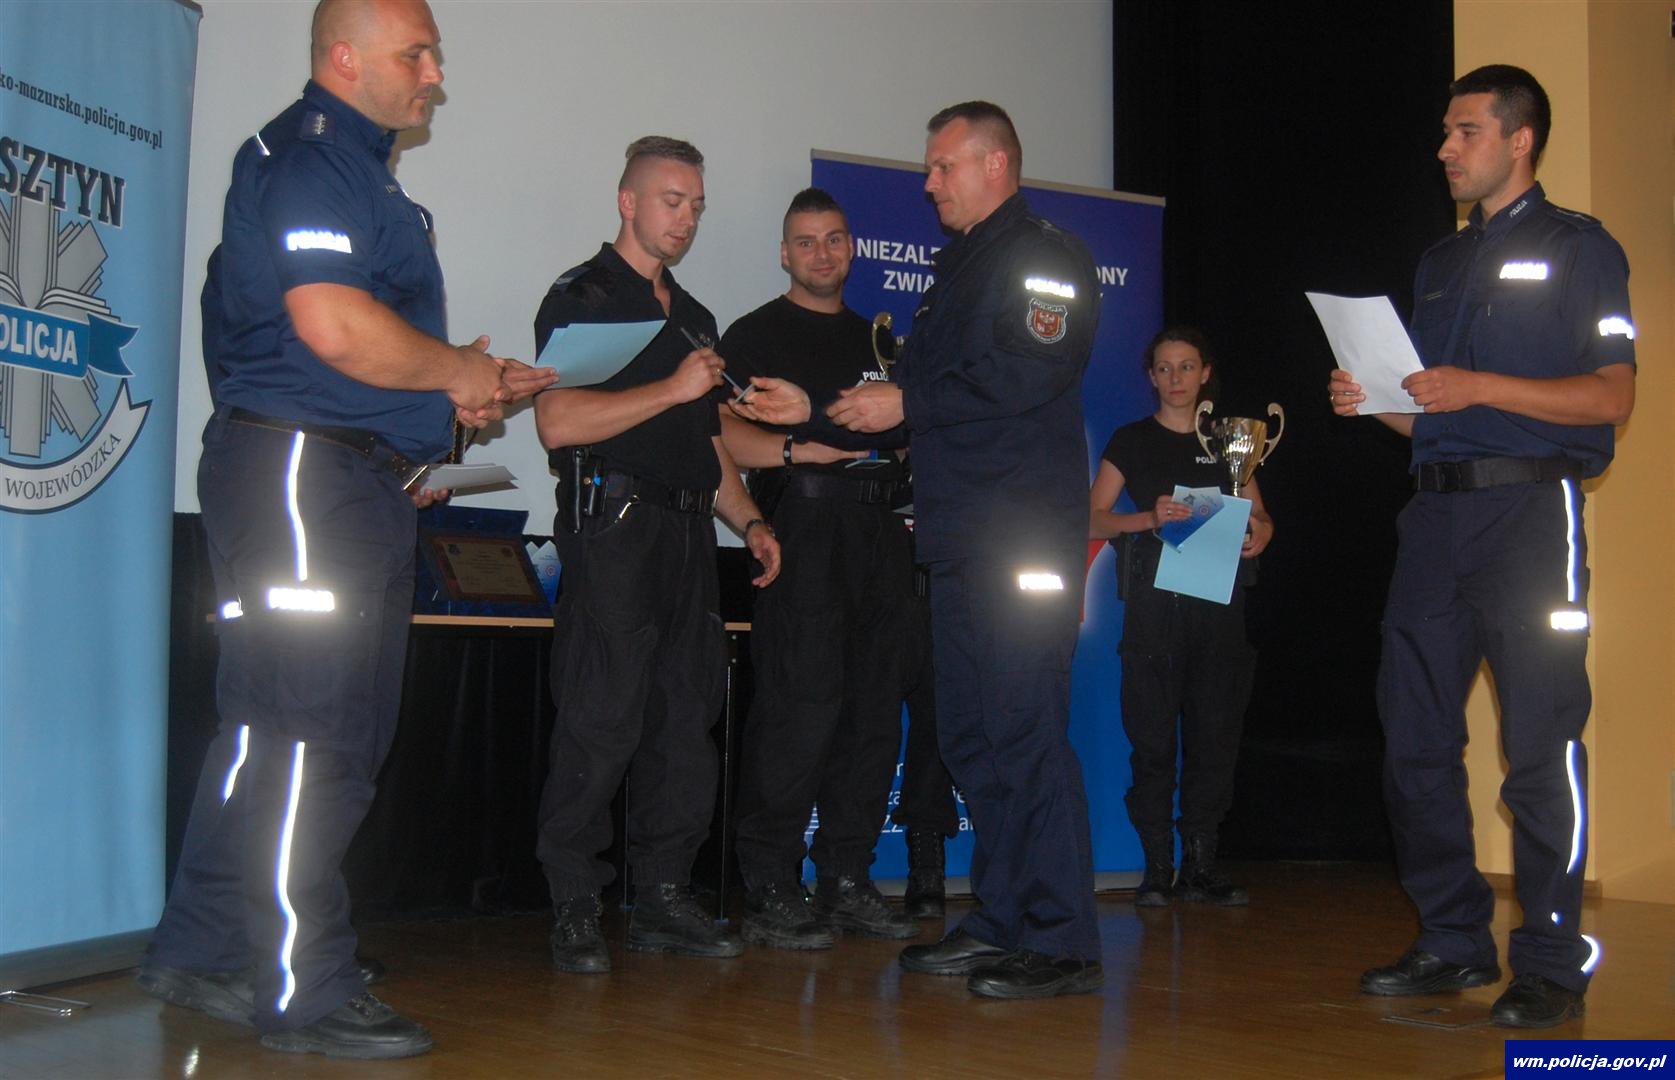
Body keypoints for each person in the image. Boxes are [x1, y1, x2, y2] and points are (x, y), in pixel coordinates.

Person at [138, 0, 553, 1060]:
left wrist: (455, 389)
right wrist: (455, 369)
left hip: (337, 478)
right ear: (344, 57)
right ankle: (304, 983)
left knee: (268, 728)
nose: (435, 74)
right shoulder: (314, 158)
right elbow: (331, 326)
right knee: (317, 733)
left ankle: (204, 947)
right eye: (417, 53)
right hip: (300, 475)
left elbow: (353, 349)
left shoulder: (365, 178)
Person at [737, 101, 1104, 999]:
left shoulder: (1043, 257)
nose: (929, 183)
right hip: (959, 536)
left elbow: (1033, 367)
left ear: (994, 163)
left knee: (1023, 727)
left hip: (1020, 533)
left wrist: (906, 402)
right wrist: (813, 414)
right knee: (973, 735)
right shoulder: (955, 271)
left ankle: (1059, 937)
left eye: (943, 166)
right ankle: (1003, 919)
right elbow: (905, 404)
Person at [1330, 64, 1635, 1029]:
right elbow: (1432, 415)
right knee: (1413, 741)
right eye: (1445, 132)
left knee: (1540, 744)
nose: (1444, 150)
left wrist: (1479, 386)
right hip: (1433, 520)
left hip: (1529, 518)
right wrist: (1375, 401)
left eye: (1464, 132)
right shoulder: (1439, 262)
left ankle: (1549, 958)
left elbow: (1612, 397)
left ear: (1518, 139)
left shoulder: (1580, 247)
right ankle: (1451, 939)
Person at [532, 136, 781, 975]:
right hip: (615, 525)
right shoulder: (587, 296)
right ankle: (575, 903)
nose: (686, 218)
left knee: (685, 722)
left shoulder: (694, 316)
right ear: (627, 202)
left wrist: (749, 521)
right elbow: (558, 423)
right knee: (600, 716)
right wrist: (674, 386)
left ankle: (664, 898)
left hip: (686, 533)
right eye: (671, 201)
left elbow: (707, 444)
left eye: (696, 206)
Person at [717, 188, 919, 949]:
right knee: (798, 709)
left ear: (851, 248)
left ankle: (846, 878)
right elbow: (719, 438)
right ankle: (771, 882)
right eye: (805, 242)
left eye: (834, 239)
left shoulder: (881, 342)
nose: (821, 253)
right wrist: (798, 449)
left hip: (882, 531)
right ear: (784, 253)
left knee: (872, 714)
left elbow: (910, 437)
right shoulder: (754, 334)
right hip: (804, 528)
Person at [1088, 327, 1273, 908]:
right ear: (1151, 376)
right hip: (1153, 608)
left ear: (1205, 373)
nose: (1175, 378)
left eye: (1186, 366)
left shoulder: (1229, 441)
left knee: (1214, 738)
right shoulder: (1132, 439)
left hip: (1219, 609)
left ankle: (1200, 866)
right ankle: (1156, 869)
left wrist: (1261, 533)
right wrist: (1148, 518)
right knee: (1152, 740)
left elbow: (1261, 517)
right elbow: (1090, 518)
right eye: (1164, 368)